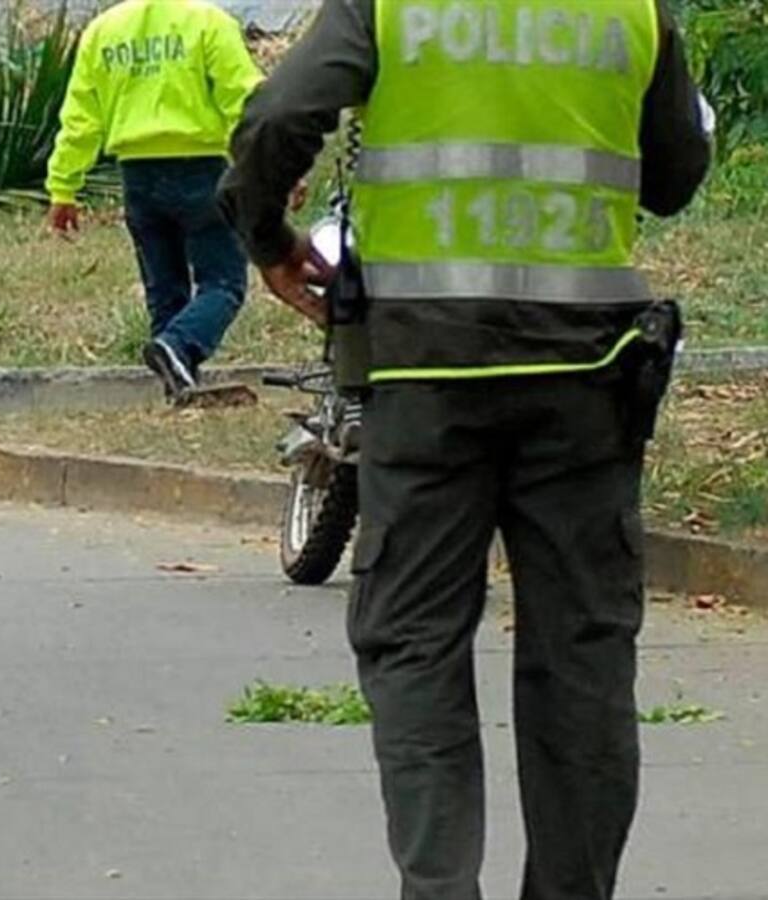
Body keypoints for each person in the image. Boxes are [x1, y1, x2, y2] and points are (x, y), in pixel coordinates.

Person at [218, 2, 711, 898]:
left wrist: (268, 239)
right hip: (588, 379)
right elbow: (674, 176)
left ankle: (440, 889)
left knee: (414, 640)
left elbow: (281, 114)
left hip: (426, 378)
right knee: (584, 652)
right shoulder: (635, 6)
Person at [44, 0, 262, 400]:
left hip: (137, 177)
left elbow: (80, 119)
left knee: (165, 289)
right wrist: (271, 163)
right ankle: (178, 348)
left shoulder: (103, 31)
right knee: (224, 281)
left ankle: (177, 383)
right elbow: (243, 102)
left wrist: (63, 187)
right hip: (200, 169)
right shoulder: (208, 22)